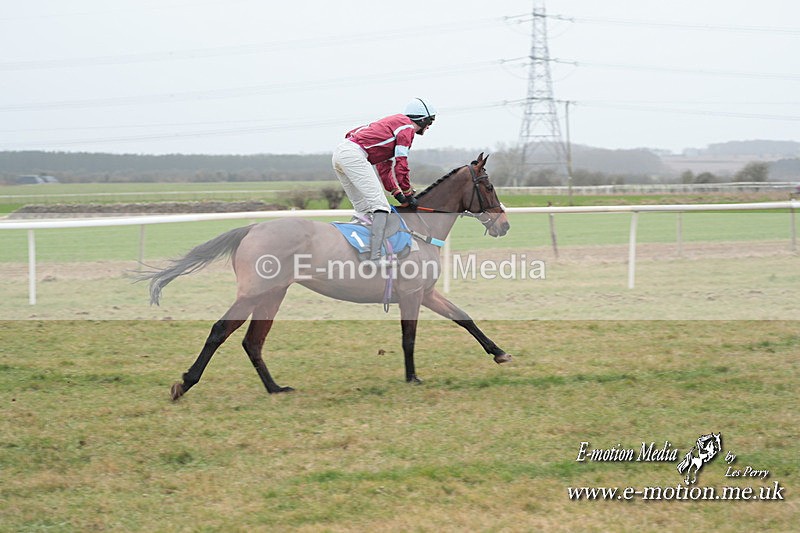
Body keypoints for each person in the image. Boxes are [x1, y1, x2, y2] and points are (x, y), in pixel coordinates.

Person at [332, 98, 436, 261]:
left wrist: (397, 193)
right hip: (353, 155)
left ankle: (357, 250)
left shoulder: (394, 125)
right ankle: (375, 256)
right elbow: (401, 165)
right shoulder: (407, 128)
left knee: (363, 209)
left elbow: (384, 168)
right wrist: (408, 194)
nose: (430, 126)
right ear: (423, 119)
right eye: (431, 121)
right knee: (380, 207)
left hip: (341, 154)